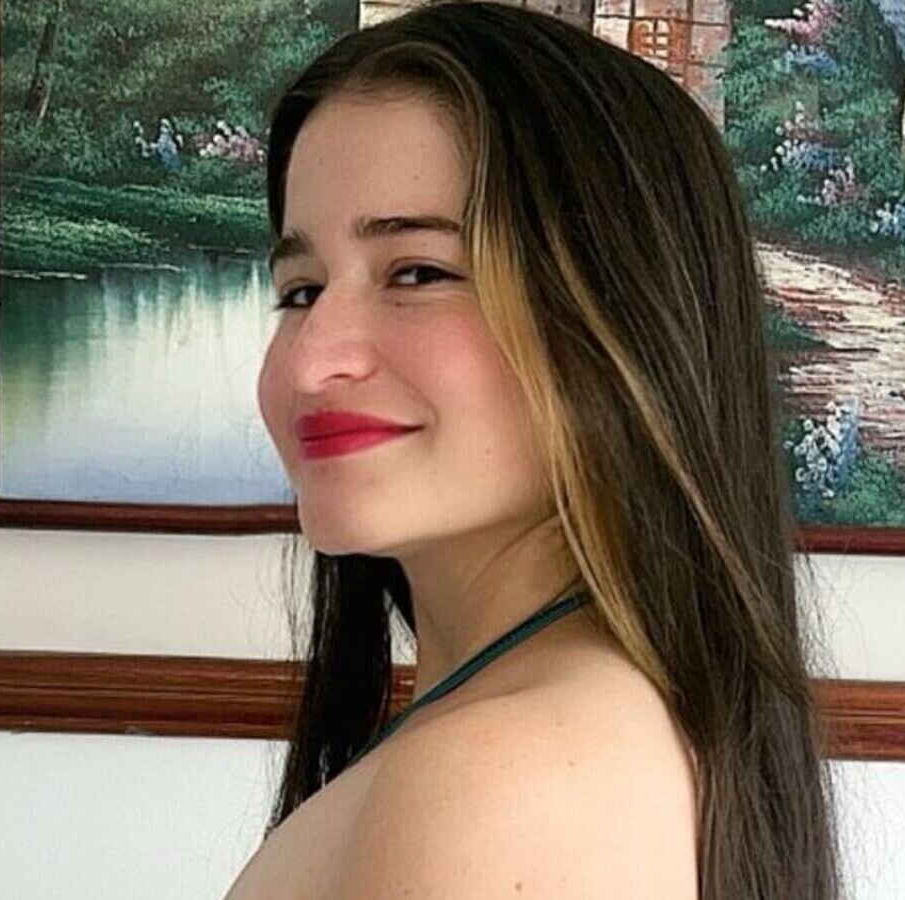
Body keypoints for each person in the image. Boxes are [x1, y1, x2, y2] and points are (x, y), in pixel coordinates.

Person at [234, 2, 841, 898]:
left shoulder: (494, 780)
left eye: (418, 273)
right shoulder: (568, 728)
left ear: (622, 323)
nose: (313, 360)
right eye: (301, 290)